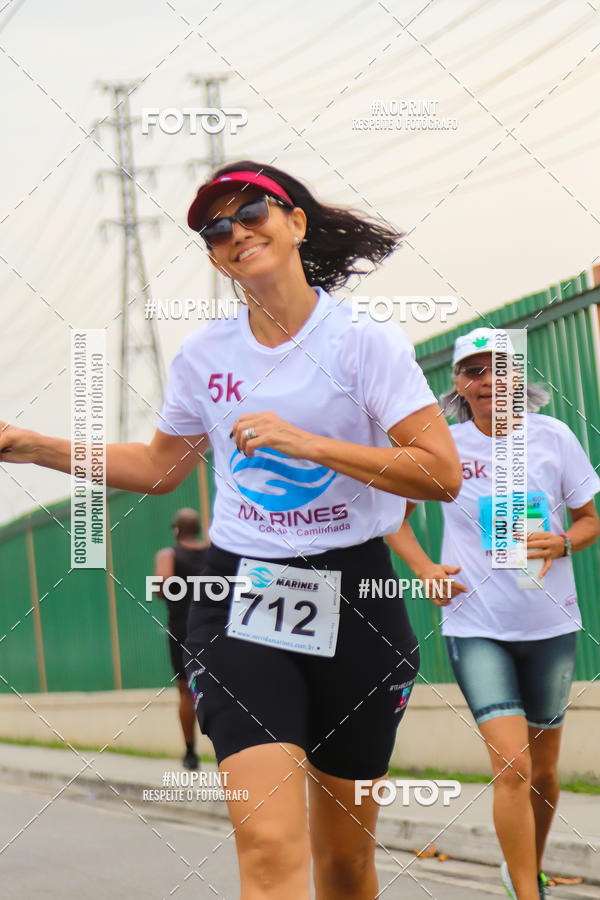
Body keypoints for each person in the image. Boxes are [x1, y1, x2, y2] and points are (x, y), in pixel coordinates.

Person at [0, 160, 462, 899]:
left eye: (254, 214)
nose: (237, 232)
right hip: (245, 597)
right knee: (271, 849)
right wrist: (31, 444)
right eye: (218, 229)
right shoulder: (204, 357)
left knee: (345, 865)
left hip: (357, 598)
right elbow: (159, 467)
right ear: (214, 255)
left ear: (296, 222)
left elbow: (441, 473)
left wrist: (311, 444)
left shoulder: (363, 345)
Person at [386, 326, 600, 900]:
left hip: (549, 624)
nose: (488, 382)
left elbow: (589, 519)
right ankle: (527, 894)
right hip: (476, 625)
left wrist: (564, 543)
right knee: (512, 766)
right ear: (457, 384)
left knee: (545, 772)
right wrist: (426, 569)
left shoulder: (554, 437)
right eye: (473, 372)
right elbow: (395, 520)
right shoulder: (445, 449)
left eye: (499, 369)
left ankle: (521, 868)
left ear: (518, 378)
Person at [154, 507, 209, 770]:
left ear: (177, 530)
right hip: (214, 627)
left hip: (182, 629)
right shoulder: (214, 553)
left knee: (186, 691)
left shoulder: (169, 554)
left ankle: (190, 753)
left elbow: (162, 584)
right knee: (222, 688)